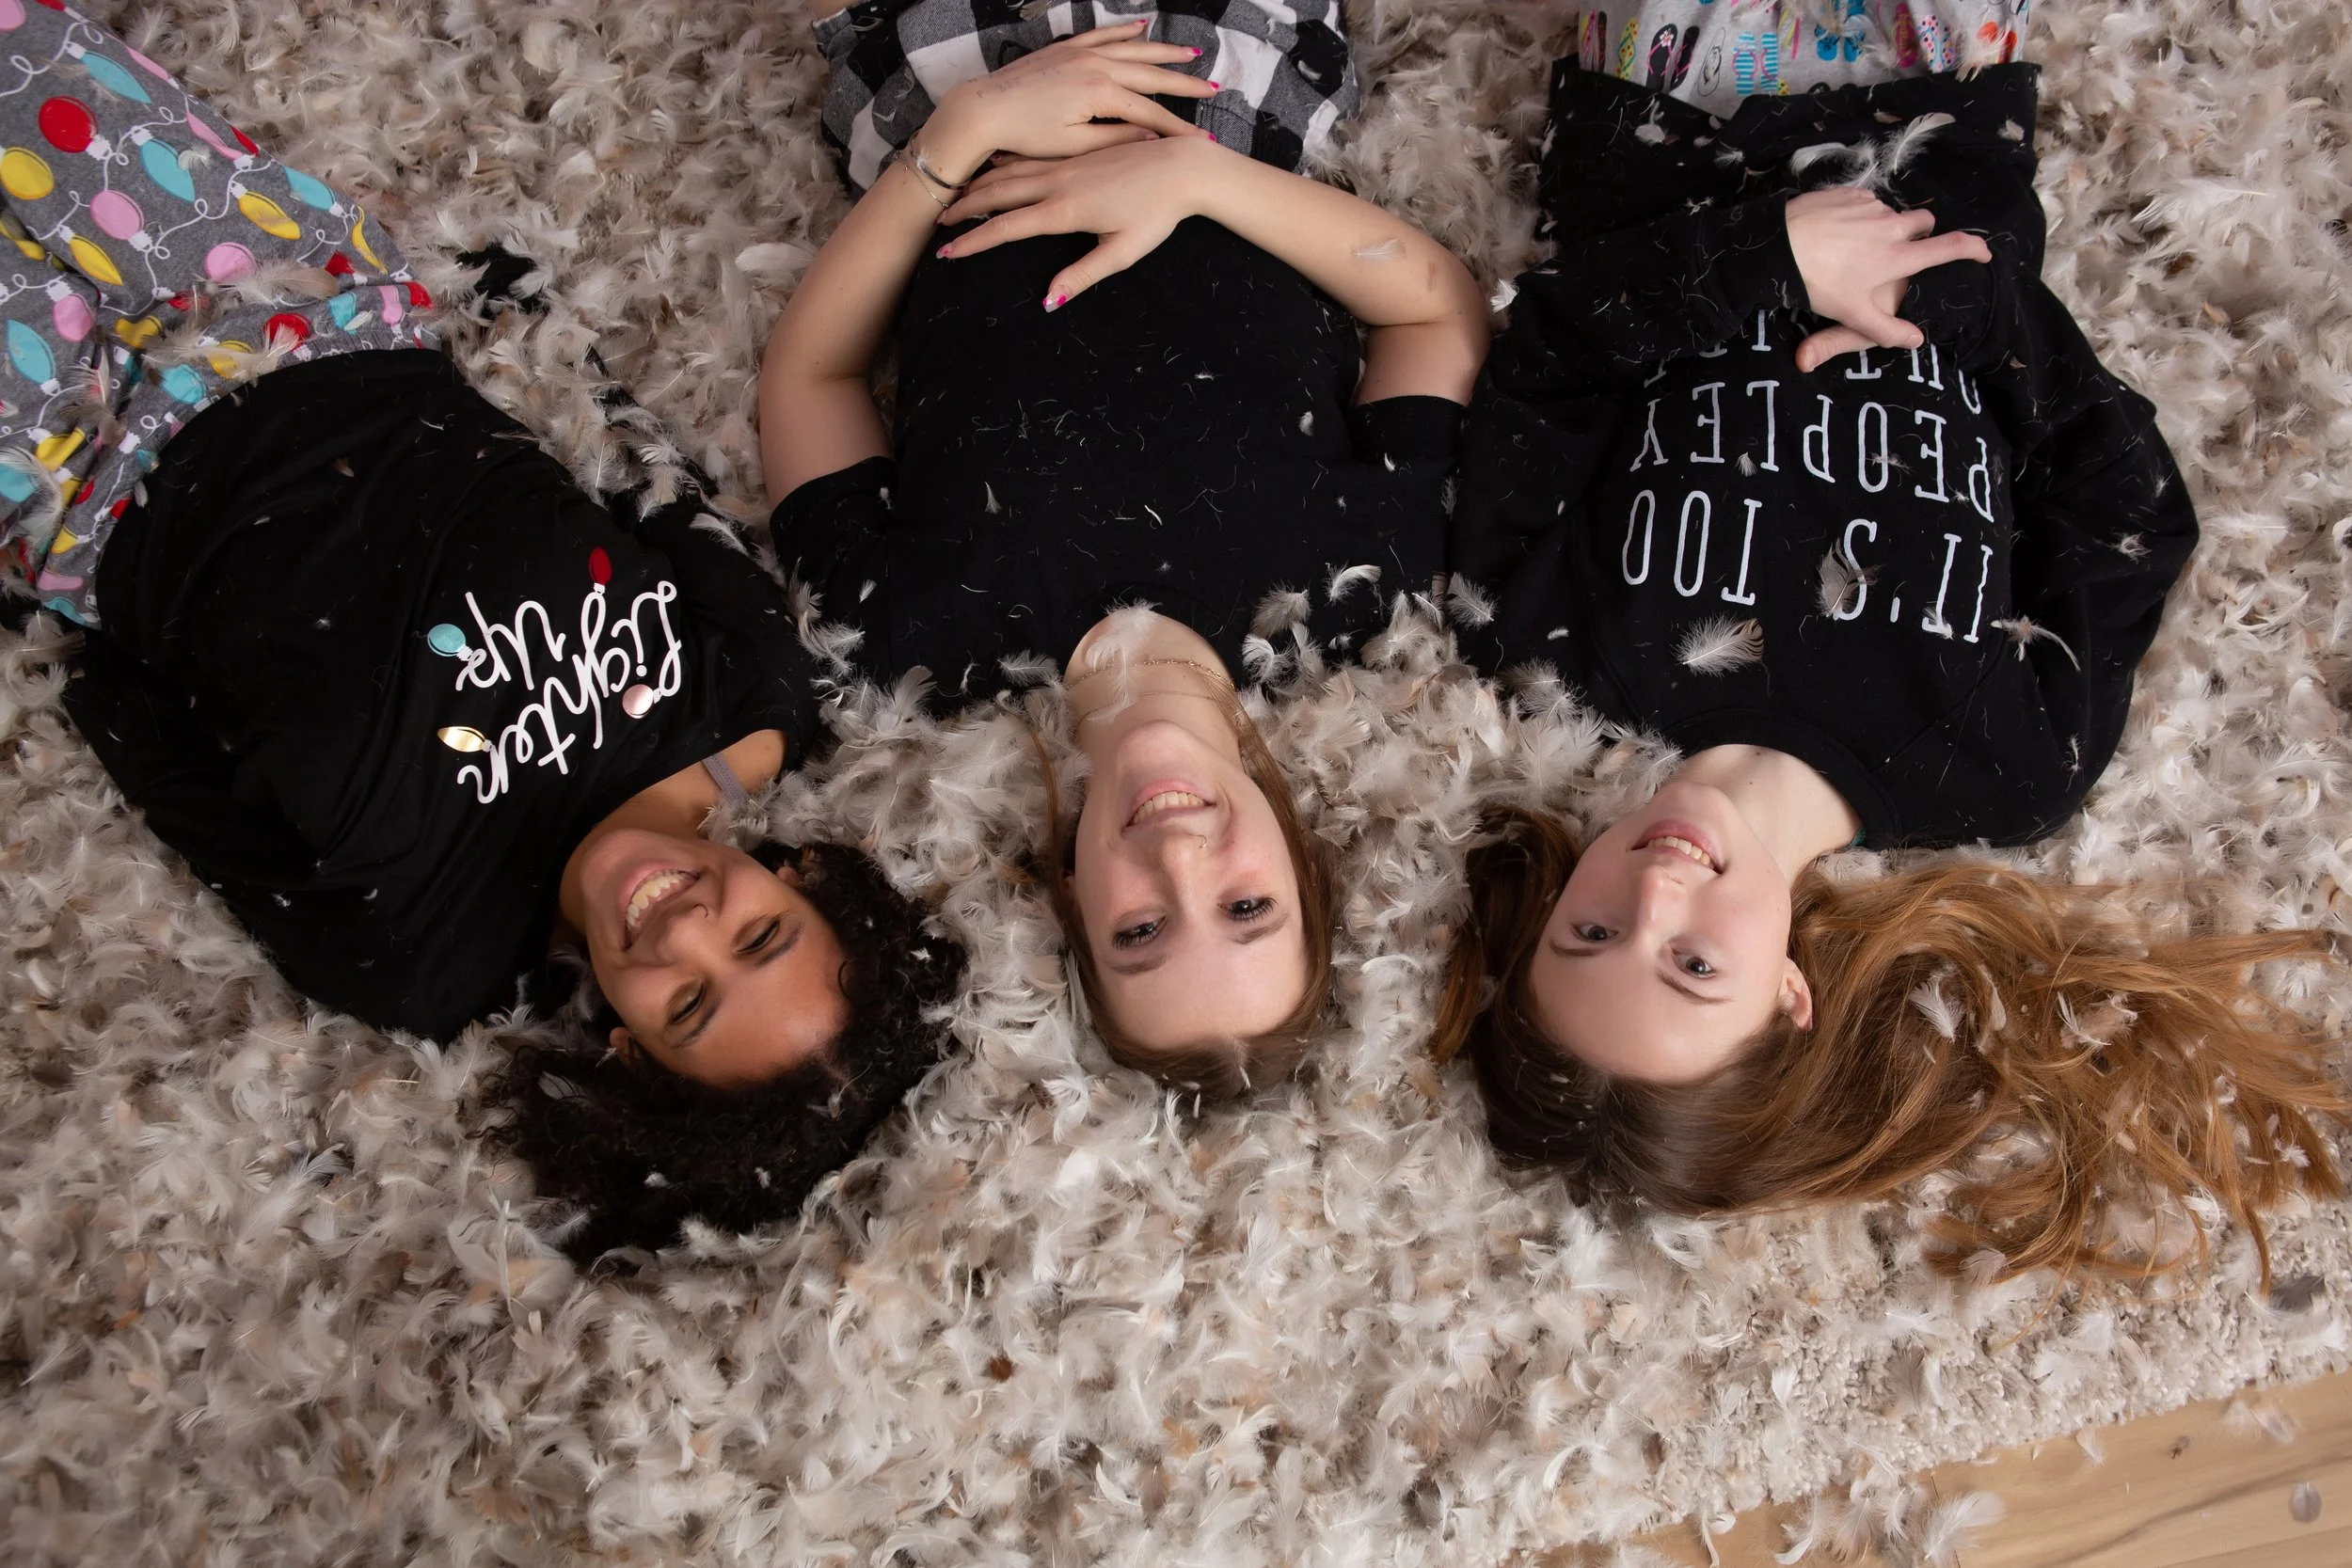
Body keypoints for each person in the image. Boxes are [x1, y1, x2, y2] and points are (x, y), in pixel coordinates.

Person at [0, 4, 963, 1259]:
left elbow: (167, 763)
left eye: (686, 1000)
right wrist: (511, 303)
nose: (682, 928)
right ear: (810, 881)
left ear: (624, 1043)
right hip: (292, 308)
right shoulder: (758, 697)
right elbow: (638, 470)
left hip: (82, 487)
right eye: (759, 933)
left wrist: (74, 579)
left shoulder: (420, 961)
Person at [1434, 16, 2344, 1283]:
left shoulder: (1548, 657)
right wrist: (1969, 306)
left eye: (1587, 936)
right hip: (1942, 141)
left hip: (1670, 118)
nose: (1649, 895)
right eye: (1694, 963)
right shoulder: (2003, 764)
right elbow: (2127, 512)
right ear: (1792, 993)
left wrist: (1766, 255)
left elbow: (1546, 366)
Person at [764, 16, 1489, 1092]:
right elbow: (1434, 313)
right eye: (1248, 908)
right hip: (1228, 76)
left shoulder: (912, 642)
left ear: (1071, 901)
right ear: (1303, 865)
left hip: (946, 72)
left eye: (1141, 930)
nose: (1181, 860)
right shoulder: (1353, 588)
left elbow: (811, 380)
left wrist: (961, 135)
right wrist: (1194, 179)